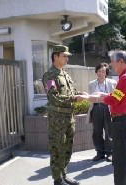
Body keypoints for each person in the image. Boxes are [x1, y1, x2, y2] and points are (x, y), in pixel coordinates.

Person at [83, 51, 126, 185]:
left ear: (120, 62)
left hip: (122, 122)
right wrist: (103, 95)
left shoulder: (125, 78)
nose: (111, 66)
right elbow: (118, 96)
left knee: (120, 161)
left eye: (113, 62)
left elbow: (114, 99)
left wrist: (92, 97)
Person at [43, 45, 83, 185]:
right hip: (57, 120)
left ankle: (64, 174)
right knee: (57, 149)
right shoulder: (49, 76)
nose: (67, 58)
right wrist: (74, 99)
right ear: (56, 56)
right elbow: (53, 98)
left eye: (67, 56)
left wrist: (79, 95)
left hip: (69, 118)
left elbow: (71, 92)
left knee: (68, 148)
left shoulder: (65, 74)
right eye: (64, 55)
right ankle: (57, 179)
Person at [88, 63, 117, 162]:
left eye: (103, 71)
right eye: (99, 71)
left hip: (108, 108)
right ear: (96, 72)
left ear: (106, 73)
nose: (101, 73)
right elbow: (91, 98)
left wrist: (104, 96)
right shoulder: (91, 84)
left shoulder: (113, 82)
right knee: (97, 132)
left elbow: (117, 96)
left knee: (109, 131)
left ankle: (110, 152)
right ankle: (99, 152)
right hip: (96, 108)